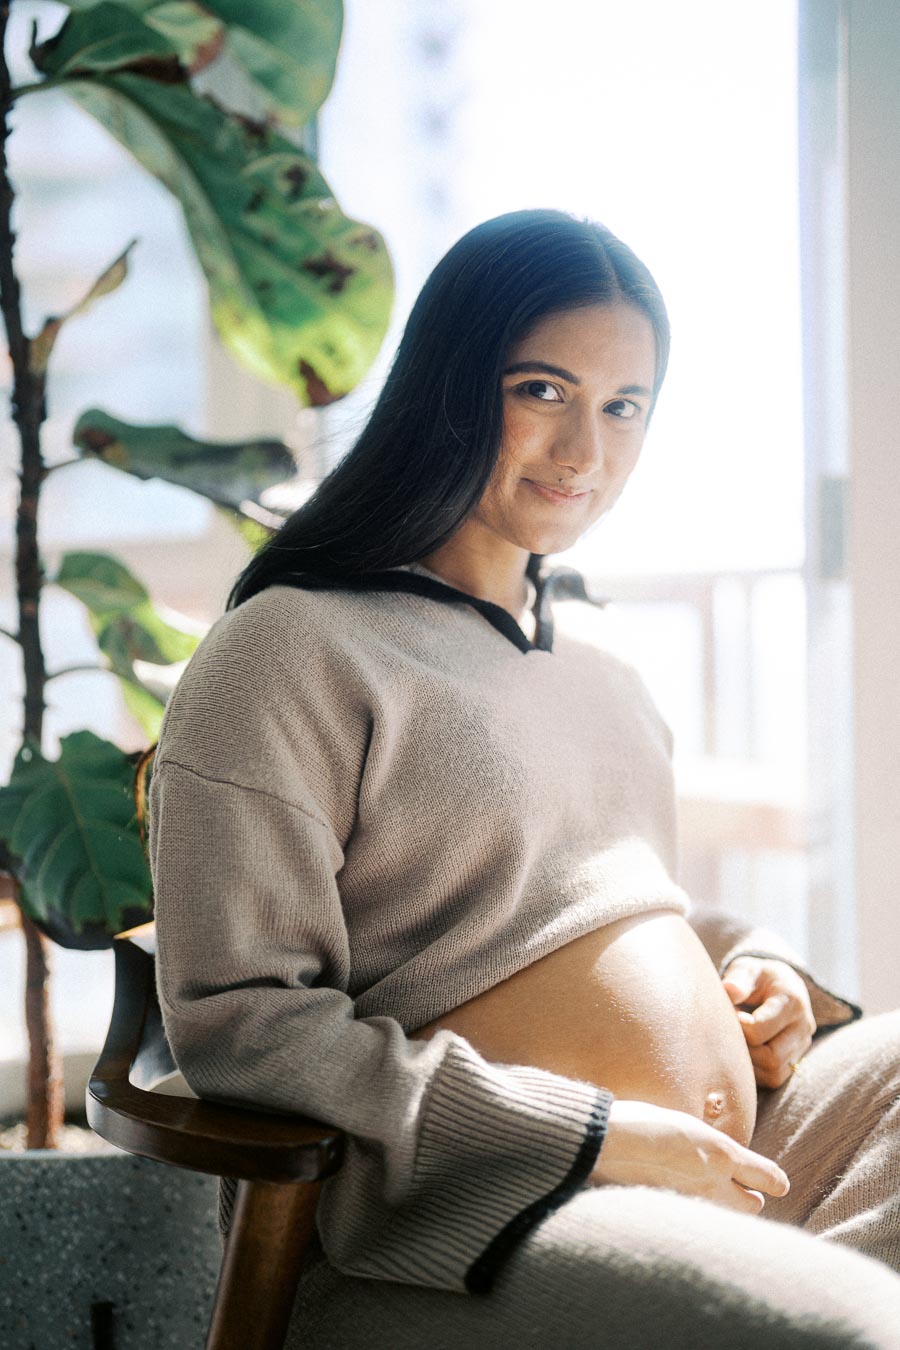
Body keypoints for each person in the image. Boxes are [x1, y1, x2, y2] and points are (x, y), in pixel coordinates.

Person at [150, 210, 900, 1347]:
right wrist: (591, 1133)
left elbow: (611, 908)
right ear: (450, 386)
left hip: (713, 1168)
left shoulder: (601, 673)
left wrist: (756, 968)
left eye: (623, 406)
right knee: (845, 1330)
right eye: (542, 390)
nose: (583, 451)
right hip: (466, 1217)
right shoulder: (293, 649)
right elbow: (244, 1025)